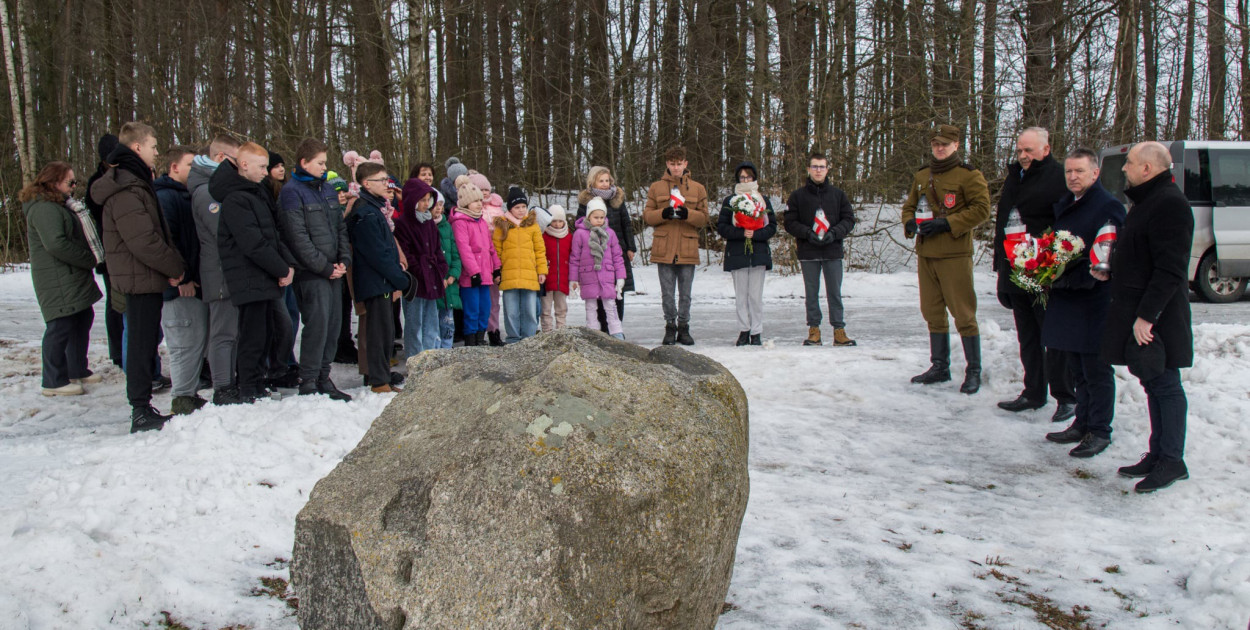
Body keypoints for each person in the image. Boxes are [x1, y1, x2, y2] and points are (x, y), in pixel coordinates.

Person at [1094, 141, 1194, 493]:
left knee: (1166, 385)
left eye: (1131, 163)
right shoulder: (1147, 201)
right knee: (1152, 381)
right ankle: (1157, 453)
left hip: (1159, 316)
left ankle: (1172, 461)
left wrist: (1147, 317)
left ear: (1148, 169)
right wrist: (1112, 270)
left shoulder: (1170, 205)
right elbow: (1142, 254)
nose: (1124, 168)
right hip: (1139, 309)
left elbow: (1170, 270)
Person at [93, 122, 186, 432]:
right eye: (153, 145)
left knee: (145, 341)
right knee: (141, 342)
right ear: (137, 148)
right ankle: (140, 409)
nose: (156, 151)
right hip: (138, 275)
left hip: (143, 274)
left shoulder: (133, 181)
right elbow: (143, 239)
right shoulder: (126, 186)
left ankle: (142, 406)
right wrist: (175, 267)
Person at [1038, 148, 1127, 458]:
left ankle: (1100, 430)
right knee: (1076, 366)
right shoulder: (1068, 205)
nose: (1073, 176)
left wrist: (1076, 278)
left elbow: (1110, 255)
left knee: (1096, 369)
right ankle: (1082, 422)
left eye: (1079, 171)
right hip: (1068, 296)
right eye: (1069, 172)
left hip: (1094, 300)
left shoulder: (1108, 207)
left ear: (1095, 173)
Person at [993, 128, 1077, 421]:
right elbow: (1003, 224)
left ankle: (1066, 396)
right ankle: (1033, 392)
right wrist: (1000, 271)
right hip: (1014, 269)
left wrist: (1050, 261)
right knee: (1027, 336)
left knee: (1052, 336)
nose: (1023, 156)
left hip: (1043, 270)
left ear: (1046, 149)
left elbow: (1067, 226)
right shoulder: (1014, 177)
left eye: (1029, 150)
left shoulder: (1058, 178)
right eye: (1019, 151)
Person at [900, 124, 991, 394]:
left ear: (956, 145)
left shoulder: (968, 176)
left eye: (945, 143)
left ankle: (973, 370)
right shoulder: (922, 175)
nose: (940, 148)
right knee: (932, 312)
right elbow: (910, 206)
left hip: (954, 254)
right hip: (926, 252)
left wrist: (948, 223)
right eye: (936, 143)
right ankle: (939, 366)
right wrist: (909, 223)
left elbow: (982, 210)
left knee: (963, 313)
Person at [211, 142, 296, 403]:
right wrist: (281, 267)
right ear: (244, 164)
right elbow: (253, 243)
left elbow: (273, 234)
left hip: (264, 275)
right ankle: (247, 385)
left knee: (266, 331)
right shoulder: (236, 198)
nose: (265, 171)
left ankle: (258, 382)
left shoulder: (256, 192)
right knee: (252, 334)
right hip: (248, 276)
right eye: (261, 166)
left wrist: (288, 265)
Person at [279, 138, 353, 401]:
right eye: (320, 163)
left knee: (334, 325)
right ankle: (308, 380)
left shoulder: (327, 190)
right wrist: (323, 267)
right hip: (311, 273)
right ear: (304, 162)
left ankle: (324, 376)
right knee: (318, 324)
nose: (324, 167)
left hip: (334, 270)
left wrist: (344, 259)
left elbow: (340, 228)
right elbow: (297, 237)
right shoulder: (291, 192)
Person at [23, 162, 104, 397]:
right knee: (60, 325)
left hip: (69, 275)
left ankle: (76, 368)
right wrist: (87, 258)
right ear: (54, 182)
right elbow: (56, 243)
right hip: (57, 277)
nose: (74, 186)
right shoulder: (43, 208)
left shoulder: (58, 204)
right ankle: (53, 380)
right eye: (70, 182)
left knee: (82, 317)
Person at [190, 135, 247, 405]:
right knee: (223, 332)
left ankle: (229, 381)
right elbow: (221, 232)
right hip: (219, 271)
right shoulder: (207, 191)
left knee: (232, 331)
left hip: (231, 270)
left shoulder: (219, 188)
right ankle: (223, 386)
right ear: (221, 159)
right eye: (237, 162)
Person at [154, 145, 209, 414]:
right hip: (178, 288)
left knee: (195, 339)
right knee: (184, 343)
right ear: (174, 167)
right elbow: (168, 244)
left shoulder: (185, 196)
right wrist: (183, 277)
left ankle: (188, 393)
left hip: (191, 284)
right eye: (190, 166)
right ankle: (182, 396)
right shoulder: (165, 198)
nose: (195, 172)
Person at [346, 162, 411, 392]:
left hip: (382, 281)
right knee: (377, 332)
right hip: (375, 282)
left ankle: (383, 376)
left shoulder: (376, 208)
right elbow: (378, 254)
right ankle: (378, 380)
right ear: (366, 183)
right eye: (381, 180)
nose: (387, 184)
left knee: (386, 332)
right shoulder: (365, 212)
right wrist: (402, 280)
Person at [783, 153, 855, 347]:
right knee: (811, 293)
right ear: (808, 169)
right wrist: (807, 233)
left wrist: (835, 233)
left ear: (827, 169)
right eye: (814, 167)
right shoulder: (798, 195)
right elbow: (789, 222)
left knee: (834, 292)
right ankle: (814, 330)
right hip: (809, 251)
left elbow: (849, 219)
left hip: (832, 251)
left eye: (821, 167)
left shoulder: (838, 195)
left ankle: (839, 330)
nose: (818, 170)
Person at [642, 146, 709, 346]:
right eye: (672, 164)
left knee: (686, 293)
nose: (676, 167)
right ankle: (670, 327)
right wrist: (663, 213)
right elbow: (647, 215)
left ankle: (684, 327)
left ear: (686, 164)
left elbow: (704, 218)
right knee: (667, 292)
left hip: (687, 247)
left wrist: (688, 214)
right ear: (667, 164)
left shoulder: (698, 188)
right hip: (664, 248)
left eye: (679, 164)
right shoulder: (656, 187)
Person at [720, 161, 778, 346]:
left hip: (758, 252)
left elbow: (772, 227)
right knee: (741, 297)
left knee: (755, 296)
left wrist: (755, 234)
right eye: (742, 177)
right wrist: (741, 233)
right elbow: (722, 227)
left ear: (754, 178)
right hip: (737, 253)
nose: (745, 180)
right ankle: (744, 330)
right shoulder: (730, 201)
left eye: (748, 177)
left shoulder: (762, 200)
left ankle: (757, 331)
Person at [576, 166, 636, 333]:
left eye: (607, 180)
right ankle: (601, 330)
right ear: (592, 182)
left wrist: (630, 247)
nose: (604, 184)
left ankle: (616, 328)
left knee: (617, 291)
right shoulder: (586, 202)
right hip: (594, 254)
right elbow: (579, 226)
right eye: (600, 180)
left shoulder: (617, 199)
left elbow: (626, 223)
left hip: (617, 253)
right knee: (598, 291)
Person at [396, 178, 449, 356]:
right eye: (422, 200)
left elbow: (437, 249)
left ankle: (430, 356)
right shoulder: (404, 223)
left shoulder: (429, 223)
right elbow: (406, 253)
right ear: (412, 200)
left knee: (431, 320)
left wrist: (441, 268)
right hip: (415, 281)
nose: (427, 204)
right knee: (414, 322)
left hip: (432, 277)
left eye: (429, 200)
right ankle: (415, 358)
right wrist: (419, 271)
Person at [85, 134, 125, 367]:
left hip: (120, 248)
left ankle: (123, 350)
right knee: (115, 303)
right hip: (108, 250)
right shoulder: (97, 183)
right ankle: (117, 351)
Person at [492, 186, 546, 344]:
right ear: (510, 208)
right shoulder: (502, 225)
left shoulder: (532, 225)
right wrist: (497, 272)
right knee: (511, 310)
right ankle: (513, 338)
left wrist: (541, 271)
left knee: (530, 309)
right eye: (517, 207)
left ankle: (528, 338)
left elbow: (540, 250)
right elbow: (496, 251)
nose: (521, 210)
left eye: (523, 206)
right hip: (509, 275)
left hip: (529, 275)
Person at [450, 179, 500, 346]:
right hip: (471, 276)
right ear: (465, 203)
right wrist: (473, 271)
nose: (479, 204)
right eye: (474, 201)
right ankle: (471, 340)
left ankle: (480, 338)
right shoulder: (460, 222)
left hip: (485, 274)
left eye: (480, 200)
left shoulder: (482, 222)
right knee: (472, 310)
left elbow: (490, 247)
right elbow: (464, 249)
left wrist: (497, 267)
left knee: (485, 308)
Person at [571, 198, 627, 339]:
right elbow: (574, 258)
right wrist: (573, 279)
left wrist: (620, 277)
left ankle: (616, 332)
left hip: (607, 276)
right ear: (589, 216)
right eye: (596, 217)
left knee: (610, 305)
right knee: (590, 306)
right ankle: (593, 332)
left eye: (602, 217)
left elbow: (618, 257)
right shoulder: (580, 234)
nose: (599, 220)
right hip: (588, 276)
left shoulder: (610, 233)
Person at [471, 171, 508, 346]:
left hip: (495, 257)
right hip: (478, 259)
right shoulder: (471, 210)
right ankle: (477, 332)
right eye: (480, 189)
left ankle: (494, 330)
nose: (484, 193)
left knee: (493, 299)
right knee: (478, 300)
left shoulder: (497, 208)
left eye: (487, 189)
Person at [431, 191, 462, 348]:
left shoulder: (447, 226)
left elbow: (456, 254)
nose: (438, 208)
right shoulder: (426, 226)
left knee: (448, 323)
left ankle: (446, 351)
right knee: (433, 324)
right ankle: (435, 354)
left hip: (449, 283)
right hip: (434, 284)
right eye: (435, 204)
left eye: (441, 204)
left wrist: (453, 275)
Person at [537, 205, 573, 332]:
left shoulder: (569, 237)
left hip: (563, 278)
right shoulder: (543, 236)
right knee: (545, 308)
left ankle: (561, 331)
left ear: (564, 221)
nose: (557, 224)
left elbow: (573, 257)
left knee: (561, 308)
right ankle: (547, 331)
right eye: (554, 221)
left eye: (560, 221)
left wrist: (573, 278)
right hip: (546, 279)